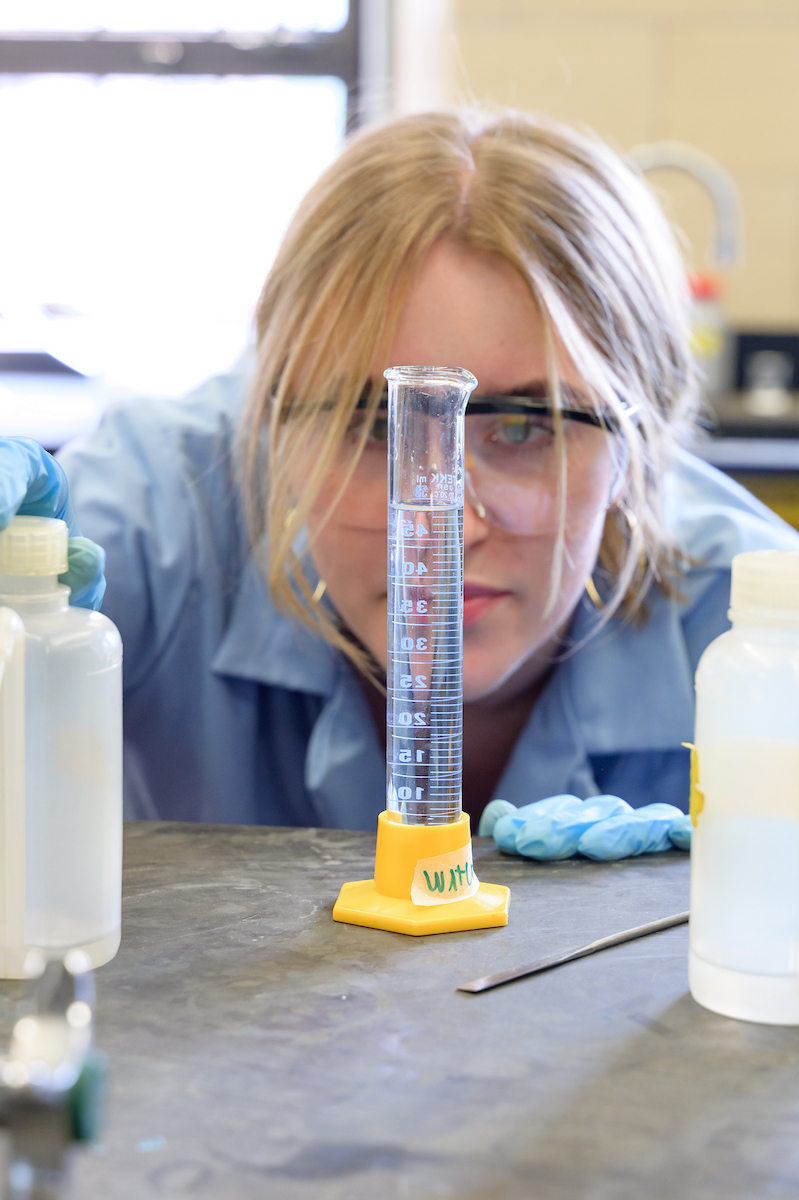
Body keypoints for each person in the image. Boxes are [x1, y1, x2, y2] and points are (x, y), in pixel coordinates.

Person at [1, 108, 796, 830]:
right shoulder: (160, 515)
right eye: (373, 426)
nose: (445, 533)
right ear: (272, 423)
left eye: (523, 427)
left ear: (639, 442)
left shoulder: (755, 632)